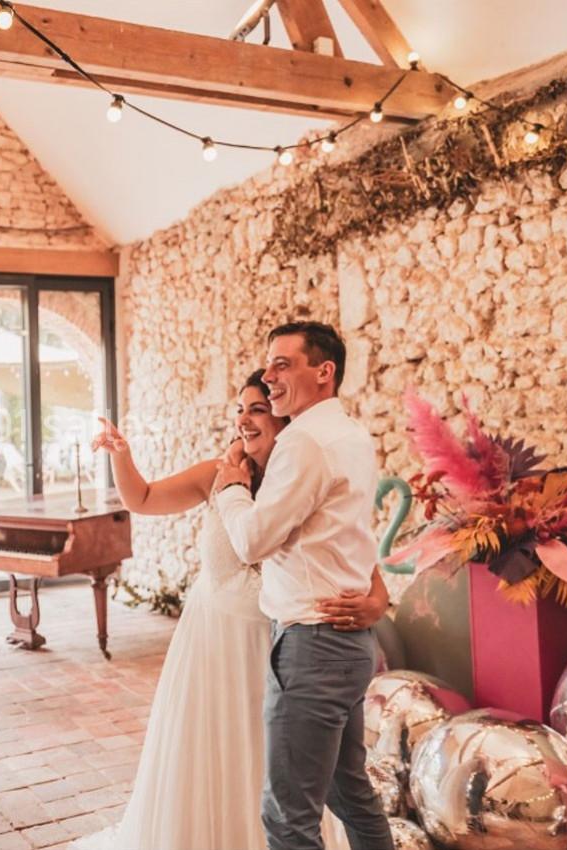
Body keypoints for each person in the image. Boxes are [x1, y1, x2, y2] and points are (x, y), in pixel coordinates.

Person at [72, 369, 388, 850]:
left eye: (257, 409)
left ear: (283, 419)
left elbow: (354, 556)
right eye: (239, 409)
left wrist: (376, 602)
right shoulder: (217, 476)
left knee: (286, 777)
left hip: (280, 645)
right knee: (218, 760)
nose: (243, 419)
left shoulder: (304, 473)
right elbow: (143, 497)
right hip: (214, 646)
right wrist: (122, 455)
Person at [213, 322, 393, 850]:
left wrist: (231, 490)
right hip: (347, 647)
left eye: (282, 364)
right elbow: (347, 537)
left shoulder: (304, 441)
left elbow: (252, 541)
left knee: (288, 817)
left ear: (324, 371)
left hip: (313, 647)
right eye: (268, 365)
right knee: (351, 794)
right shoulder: (352, 434)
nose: (269, 376)